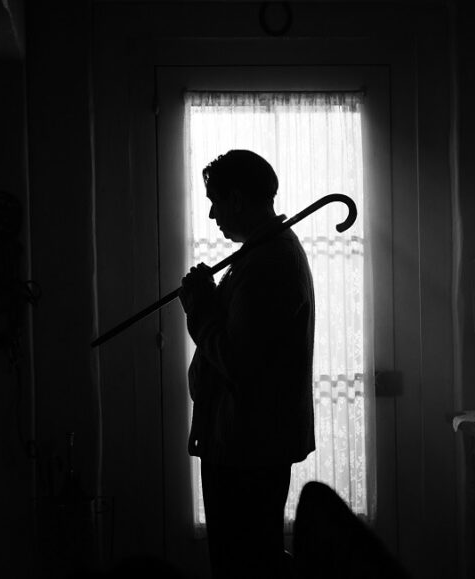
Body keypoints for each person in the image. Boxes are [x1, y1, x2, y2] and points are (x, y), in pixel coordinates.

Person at [179, 150, 316, 579]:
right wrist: (213, 297)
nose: (212, 212)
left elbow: (239, 362)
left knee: (243, 565)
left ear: (238, 199)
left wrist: (200, 311)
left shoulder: (269, 262)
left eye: (216, 200)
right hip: (241, 443)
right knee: (246, 559)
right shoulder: (257, 256)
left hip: (248, 448)